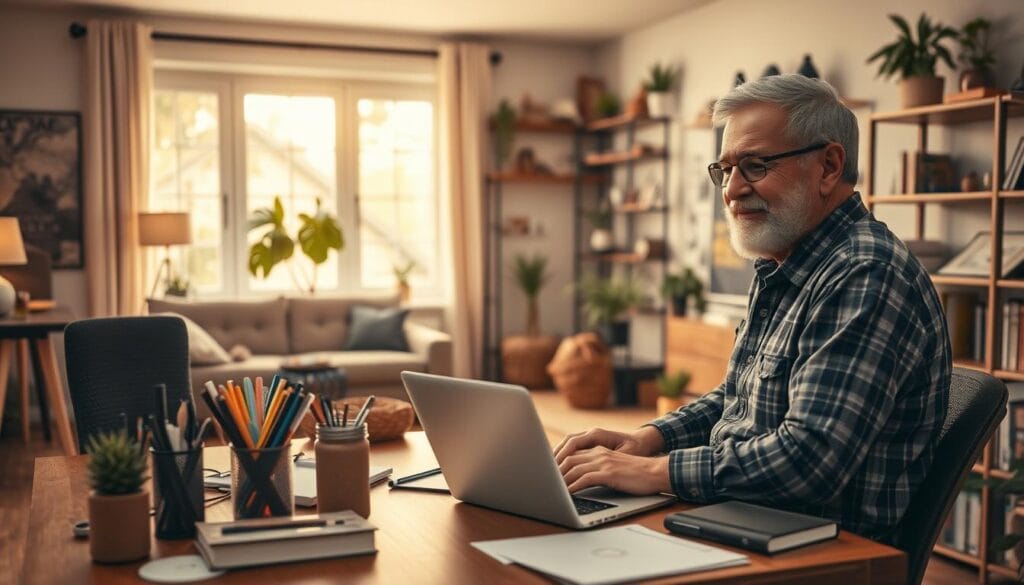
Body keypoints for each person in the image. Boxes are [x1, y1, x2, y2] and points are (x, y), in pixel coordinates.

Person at [554, 74, 950, 542]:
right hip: (743, 519)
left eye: (755, 166)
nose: (731, 189)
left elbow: (809, 460)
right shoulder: (787, 262)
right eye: (725, 170)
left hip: (817, 555)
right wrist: (648, 440)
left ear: (828, 166)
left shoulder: (866, 273)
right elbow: (737, 402)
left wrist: (654, 472)